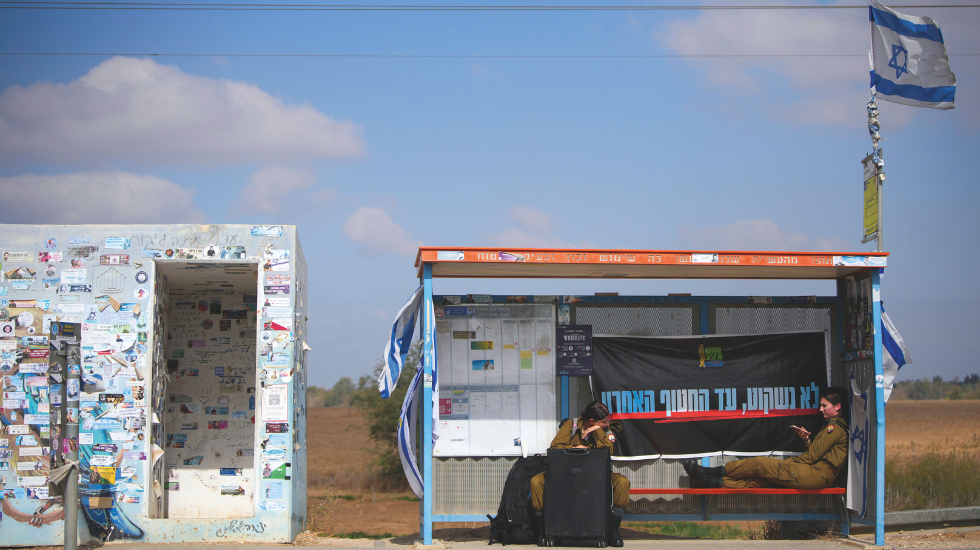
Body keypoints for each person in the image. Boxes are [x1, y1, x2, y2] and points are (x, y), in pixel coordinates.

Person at [684, 387, 848, 489]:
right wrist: (806, 440)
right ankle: (708, 481)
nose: (820, 409)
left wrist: (790, 463)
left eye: (824, 405)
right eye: (821, 405)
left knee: (760, 463)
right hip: (815, 473)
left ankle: (712, 471)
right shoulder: (831, 426)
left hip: (817, 475)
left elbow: (812, 457)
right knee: (758, 481)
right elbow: (816, 453)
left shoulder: (834, 428)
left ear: (838, 406)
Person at [530, 400, 630, 547]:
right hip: (566, 473)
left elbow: (609, 451)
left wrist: (597, 431)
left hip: (596, 475)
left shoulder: (605, 429)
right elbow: (555, 447)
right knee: (536, 482)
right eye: (604, 421)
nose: (607, 423)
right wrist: (576, 448)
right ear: (591, 420)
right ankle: (543, 529)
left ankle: (614, 530)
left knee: (622, 482)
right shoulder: (571, 425)